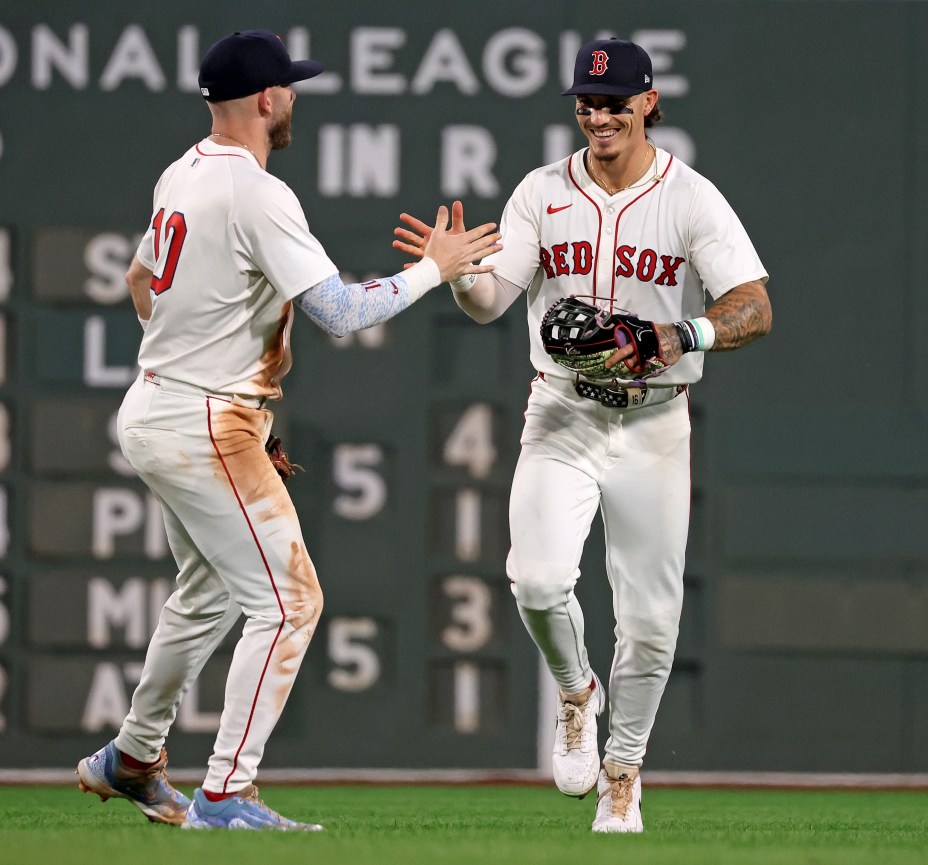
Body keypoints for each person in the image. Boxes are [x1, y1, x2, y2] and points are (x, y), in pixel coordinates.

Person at [76, 29, 500, 832]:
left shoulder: (183, 171)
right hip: (201, 417)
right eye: (290, 87)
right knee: (292, 600)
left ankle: (132, 758)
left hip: (161, 404)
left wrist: (209, 380)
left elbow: (140, 279)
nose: (295, 98)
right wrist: (434, 268)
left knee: (206, 593)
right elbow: (340, 312)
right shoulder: (256, 192)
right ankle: (226, 794)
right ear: (267, 99)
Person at [393, 36, 771, 833]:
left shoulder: (690, 197)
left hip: (655, 420)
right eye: (587, 102)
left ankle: (624, 772)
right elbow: (495, 302)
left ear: (648, 103)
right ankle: (576, 692)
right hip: (562, 410)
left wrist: (684, 335)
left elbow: (754, 306)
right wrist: (457, 274)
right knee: (534, 581)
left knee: (650, 621)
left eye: (614, 102)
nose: (599, 115)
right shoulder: (542, 191)